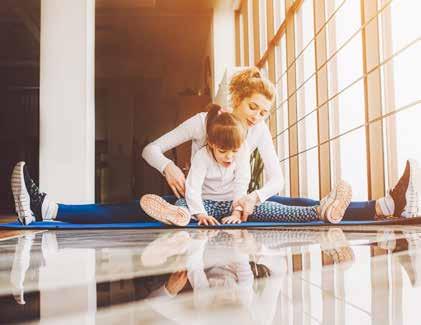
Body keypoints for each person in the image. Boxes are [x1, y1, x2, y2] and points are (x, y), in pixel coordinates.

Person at [10, 67, 421, 225]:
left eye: (265, 111)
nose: (259, 117)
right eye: (253, 108)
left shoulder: (258, 132)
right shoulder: (202, 124)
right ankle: (46, 209)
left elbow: (275, 177)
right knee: (133, 205)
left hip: (237, 201)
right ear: (236, 100)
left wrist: (252, 197)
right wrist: (169, 168)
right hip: (196, 200)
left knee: (298, 203)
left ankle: (388, 205)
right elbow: (150, 149)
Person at [140, 104, 350, 226]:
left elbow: (242, 183)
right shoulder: (202, 155)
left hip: (233, 203)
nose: (229, 157)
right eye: (223, 152)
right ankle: (179, 216)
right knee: (183, 206)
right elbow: (193, 187)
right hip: (205, 203)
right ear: (211, 144)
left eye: (263, 112)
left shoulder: (242, 148)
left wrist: (237, 211)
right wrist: (201, 213)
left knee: (273, 209)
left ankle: (320, 211)